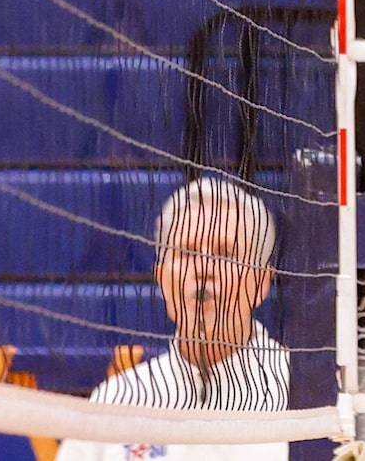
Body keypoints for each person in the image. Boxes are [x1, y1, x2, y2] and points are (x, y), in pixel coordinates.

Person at [52, 178, 286, 461]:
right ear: (162, 279)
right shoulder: (119, 399)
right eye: (186, 252)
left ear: (261, 283)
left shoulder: (302, 392)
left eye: (225, 253)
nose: (204, 268)